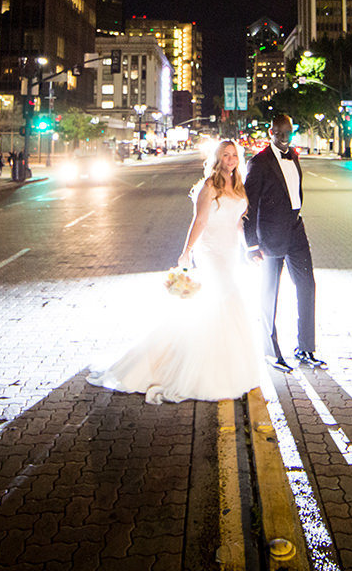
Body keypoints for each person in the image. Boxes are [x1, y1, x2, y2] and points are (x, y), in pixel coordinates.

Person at [87, 140, 266, 404]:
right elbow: (200, 220)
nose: (230, 159)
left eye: (233, 155)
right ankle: (205, 371)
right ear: (217, 158)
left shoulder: (238, 185)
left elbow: (239, 223)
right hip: (211, 252)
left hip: (230, 252)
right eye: (225, 155)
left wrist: (249, 248)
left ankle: (225, 365)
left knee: (227, 305)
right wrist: (187, 251)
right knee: (228, 300)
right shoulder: (210, 185)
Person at [243, 113, 324, 372]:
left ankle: (306, 348)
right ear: (271, 132)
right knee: (270, 292)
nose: (284, 138)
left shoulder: (295, 155)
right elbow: (250, 205)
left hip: (295, 229)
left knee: (307, 286)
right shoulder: (259, 162)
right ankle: (270, 351)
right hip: (270, 235)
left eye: (288, 133)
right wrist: (251, 244)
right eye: (279, 133)